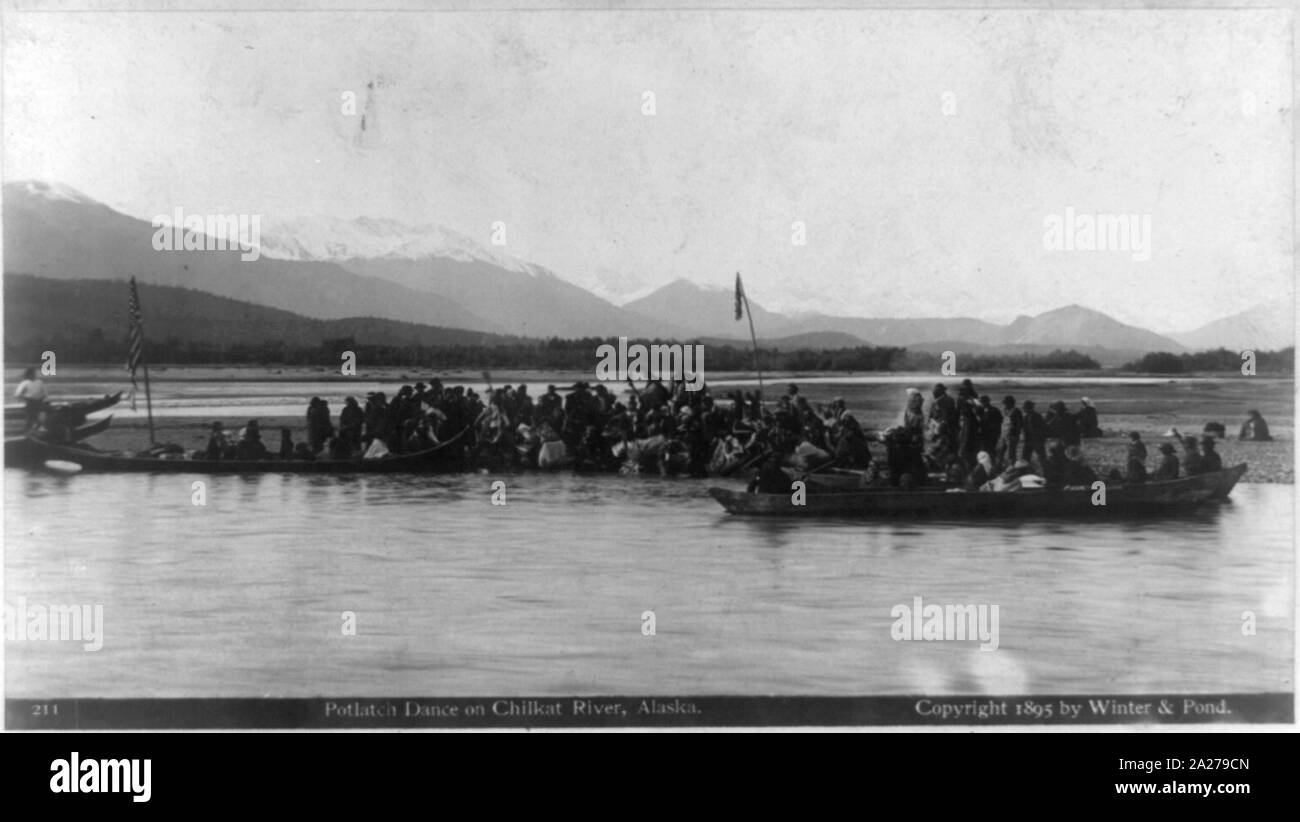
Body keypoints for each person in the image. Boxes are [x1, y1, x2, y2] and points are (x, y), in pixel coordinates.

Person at [14, 367, 48, 432]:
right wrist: (26, 399)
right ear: (28, 374)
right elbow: (17, 394)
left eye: (34, 373)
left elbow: (45, 393)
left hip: (39, 402)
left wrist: (41, 399)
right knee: (30, 419)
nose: (34, 375)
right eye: (32, 373)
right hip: (30, 403)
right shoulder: (24, 383)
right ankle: (27, 431)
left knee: (41, 418)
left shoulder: (40, 382)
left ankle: (37, 430)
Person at [996, 396, 1022, 472]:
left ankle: (1012, 470)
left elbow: (1019, 425)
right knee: (1000, 453)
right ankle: (999, 469)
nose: (1004, 405)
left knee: (1011, 454)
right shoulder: (1006, 411)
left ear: (1010, 403)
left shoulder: (1016, 412)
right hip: (1004, 436)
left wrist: (1015, 435)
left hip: (1011, 437)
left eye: (1005, 403)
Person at [1021, 400, 1047, 468]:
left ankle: (1046, 472)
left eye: (1025, 407)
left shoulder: (1037, 416)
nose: (1024, 409)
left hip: (1037, 440)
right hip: (1029, 441)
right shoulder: (1026, 417)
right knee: (1025, 458)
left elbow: (1043, 428)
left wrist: (1041, 439)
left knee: (1042, 458)